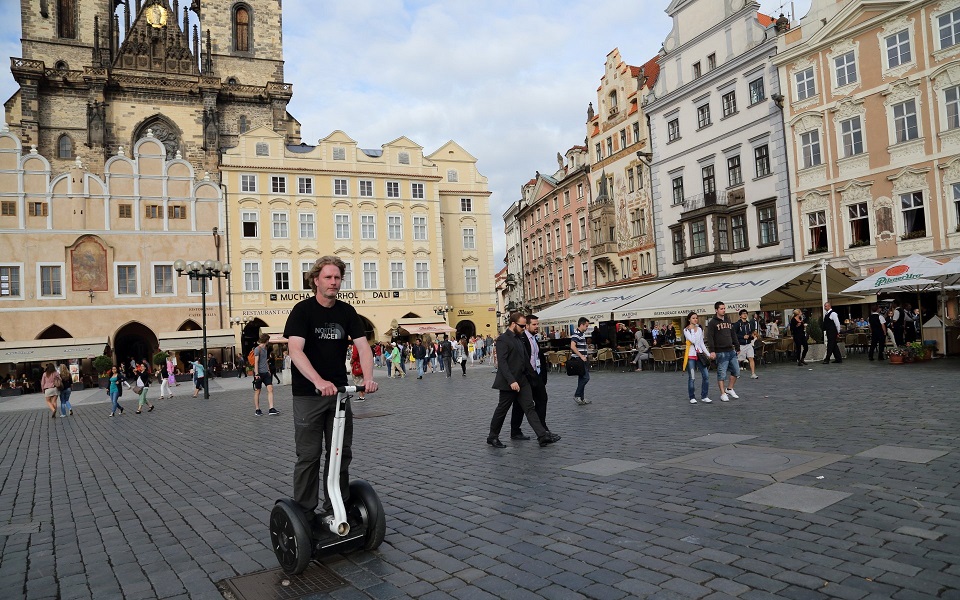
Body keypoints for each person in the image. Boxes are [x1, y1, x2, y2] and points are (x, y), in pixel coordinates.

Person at [283, 255, 378, 528]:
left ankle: (336, 505)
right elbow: (295, 351)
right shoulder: (302, 311)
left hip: (338, 394)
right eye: (328, 277)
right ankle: (304, 512)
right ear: (316, 280)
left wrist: (368, 378)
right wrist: (317, 380)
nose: (334, 282)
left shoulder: (346, 312)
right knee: (309, 455)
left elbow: (363, 347)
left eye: (337, 277)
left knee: (340, 453)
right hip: (308, 395)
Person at [487, 312, 559, 449]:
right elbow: (502, 363)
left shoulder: (519, 338)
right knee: (502, 409)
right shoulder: (503, 339)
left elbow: (525, 361)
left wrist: (534, 378)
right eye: (521, 326)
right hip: (509, 382)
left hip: (523, 380)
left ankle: (542, 436)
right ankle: (492, 436)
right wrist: (511, 381)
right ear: (513, 324)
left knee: (529, 407)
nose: (523, 328)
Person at [510, 313, 549, 440]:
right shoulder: (521, 339)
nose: (537, 326)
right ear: (526, 325)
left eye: (538, 324)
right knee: (520, 405)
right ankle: (515, 431)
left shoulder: (534, 338)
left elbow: (537, 357)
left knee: (542, 400)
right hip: (526, 377)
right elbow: (523, 360)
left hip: (536, 375)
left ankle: (542, 428)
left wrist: (542, 375)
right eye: (534, 324)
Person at [705, 301, 740, 403]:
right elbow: (710, 337)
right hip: (720, 351)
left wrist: (737, 346)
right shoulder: (712, 323)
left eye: (724, 308)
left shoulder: (728, 320)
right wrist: (712, 351)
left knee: (736, 371)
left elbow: (733, 334)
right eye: (721, 308)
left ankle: (729, 389)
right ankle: (722, 394)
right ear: (716, 310)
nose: (723, 310)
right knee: (722, 374)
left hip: (731, 350)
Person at [682, 312, 712, 404]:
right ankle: (692, 397)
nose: (695, 320)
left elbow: (701, 343)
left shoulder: (699, 329)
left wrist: (708, 354)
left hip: (699, 354)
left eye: (696, 318)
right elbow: (693, 340)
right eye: (693, 318)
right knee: (692, 377)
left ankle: (704, 396)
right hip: (691, 355)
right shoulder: (686, 330)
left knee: (706, 375)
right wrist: (692, 330)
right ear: (689, 320)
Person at [253, 333, 278, 415]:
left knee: (270, 389)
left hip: (266, 373)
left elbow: (265, 360)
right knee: (257, 391)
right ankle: (257, 409)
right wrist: (256, 374)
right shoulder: (257, 349)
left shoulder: (265, 349)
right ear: (266, 340)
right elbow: (256, 362)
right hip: (259, 373)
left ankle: (271, 408)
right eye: (268, 340)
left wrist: (268, 370)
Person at [570, 317, 591, 405]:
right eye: (586, 326)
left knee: (582, 378)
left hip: (583, 359)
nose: (587, 328)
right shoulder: (576, 334)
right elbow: (572, 346)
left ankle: (581, 398)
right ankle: (577, 395)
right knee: (586, 378)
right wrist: (581, 356)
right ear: (581, 324)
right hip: (579, 360)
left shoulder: (581, 334)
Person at [734, 309, 759, 379]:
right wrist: (742, 336)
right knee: (739, 360)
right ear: (740, 316)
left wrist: (751, 336)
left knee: (751, 358)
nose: (745, 315)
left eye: (746, 313)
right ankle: (736, 372)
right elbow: (734, 334)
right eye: (743, 314)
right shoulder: (737, 324)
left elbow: (751, 333)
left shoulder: (749, 324)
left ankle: (753, 373)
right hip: (741, 345)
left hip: (748, 344)